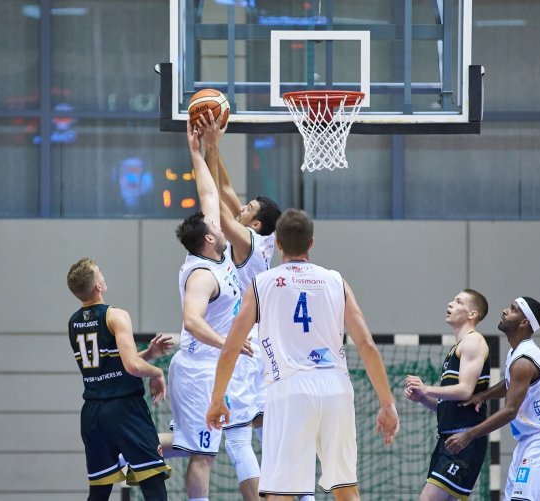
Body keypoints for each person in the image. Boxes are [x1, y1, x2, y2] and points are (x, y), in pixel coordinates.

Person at [205, 208, 400, 500]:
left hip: (289, 389)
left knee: (279, 493)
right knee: (346, 489)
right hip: (336, 388)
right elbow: (367, 345)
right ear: (311, 243)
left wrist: (218, 399)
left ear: (278, 244)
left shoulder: (262, 283)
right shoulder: (335, 281)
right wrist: (387, 402)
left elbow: (231, 347)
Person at [165, 120, 253, 501]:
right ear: (208, 239)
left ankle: (132, 447)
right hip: (198, 369)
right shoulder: (201, 276)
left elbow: (208, 193)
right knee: (203, 454)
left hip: (210, 367)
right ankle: (129, 447)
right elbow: (191, 320)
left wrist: (196, 151)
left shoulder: (213, 248)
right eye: (213, 227)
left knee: (195, 445)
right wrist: (226, 343)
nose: (219, 225)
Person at [198, 114, 283, 500]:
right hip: (263, 346)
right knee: (269, 434)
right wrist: (213, 148)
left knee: (236, 438)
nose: (241, 207)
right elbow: (227, 188)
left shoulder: (247, 241)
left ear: (257, 223)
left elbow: (216, 205)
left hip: (246, 346)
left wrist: (207, 149)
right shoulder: (259, 239)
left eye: (247, 208)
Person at [445, 297, 540, 501]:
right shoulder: (517, 352)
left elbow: (509, 411)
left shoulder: (524, 361)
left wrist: (469, 435)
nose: (504, 310)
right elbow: (509, 384)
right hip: (528, 439)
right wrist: (483, 395)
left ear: (524, 322)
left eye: (513, 309)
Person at [67, 257, 172, 501]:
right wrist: (156, 372)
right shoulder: (116, 315)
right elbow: (132, 366)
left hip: (93, 414)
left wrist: (149, 354)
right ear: (98, 286)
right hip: (125, 410)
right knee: (154, 485)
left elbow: (112, 365)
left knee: (99, 492)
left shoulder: (73, 323)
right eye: (99, 272)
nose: (103, 275)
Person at [404, 289, 491, 501]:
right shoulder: (456, 348)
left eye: (458, 302)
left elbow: (465, 390)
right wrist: (423, 398)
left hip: (463, 440)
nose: (450, 304)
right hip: (448, 440)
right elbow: (450, 404)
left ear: (472, 314)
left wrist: (426, 388)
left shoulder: (473, 342)